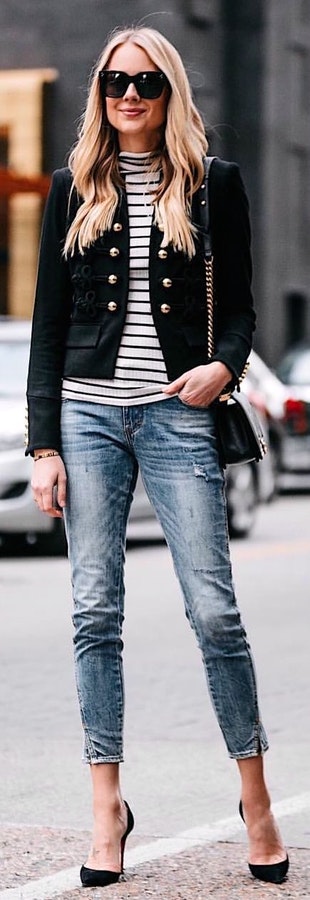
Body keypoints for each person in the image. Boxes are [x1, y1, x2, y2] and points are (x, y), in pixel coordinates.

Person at [26, 25, 289, 889]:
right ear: (99, 93)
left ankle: (255, 800)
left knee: (214, 611)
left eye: (145, 81)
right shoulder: (72, 189)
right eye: (114, 82)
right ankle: (107, 808)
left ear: (170, 90)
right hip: (89, 417)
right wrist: (44, 443)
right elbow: (49, 328)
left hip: (179, 415)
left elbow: (243, 310)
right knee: (94, 611)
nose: (129, 95)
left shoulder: (216, 186)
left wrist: (224, 365)